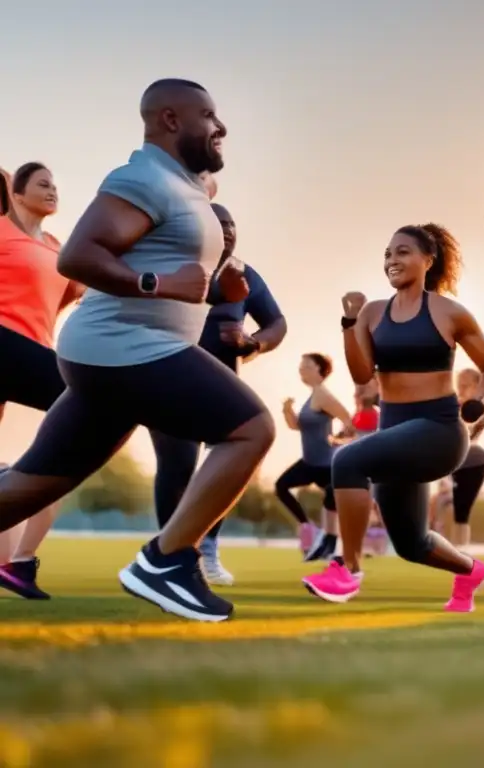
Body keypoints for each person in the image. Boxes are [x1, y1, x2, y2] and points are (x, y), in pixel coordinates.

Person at [0, 79, 275, 623]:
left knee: (31, 487)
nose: (220, 128)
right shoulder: (143, 177)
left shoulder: (184, 186)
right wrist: (158, 284)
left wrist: (223, 292)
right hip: (124, 347)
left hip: (116, 354)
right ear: (170, 120)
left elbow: (179, 270)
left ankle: (167, 559)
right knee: (251, 428)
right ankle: (167, 561)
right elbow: (78, 256)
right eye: (209, 116)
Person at [302, 223, 484, 612]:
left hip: (440, 431)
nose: (393, 260)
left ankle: (349, 570)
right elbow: (362, 375)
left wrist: (476, 398)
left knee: (347, 460)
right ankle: (472, 571)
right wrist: (349, 322)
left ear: (428, 260)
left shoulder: (450, 312)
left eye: (403, 252)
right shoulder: (373, 313)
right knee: (412, 544)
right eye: (388, 254)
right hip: (395, 428)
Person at [148, 201, 287, 586]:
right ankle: (170, 552)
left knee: (228, 467)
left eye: (231, 224)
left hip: (222, 387)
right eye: (217, 223)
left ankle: (206, 549)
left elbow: (277, 322)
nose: (226, 230)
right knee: (176, 467)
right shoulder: (176, 265)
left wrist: (252, 343)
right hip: (169, 381)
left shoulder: (244, 275)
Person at [0, 162, 84, 600]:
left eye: (56, 184)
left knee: (69, 446)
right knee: (91, 401)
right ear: (16, 193)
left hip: (28, 353)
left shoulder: (57, 248)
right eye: (42, 184)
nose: (53, 190)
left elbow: (84, 289)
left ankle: (15, 562)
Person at [280, 352, 354, 561]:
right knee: (282, 486)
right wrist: (287, 410)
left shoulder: (323, 395)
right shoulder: (312, 397)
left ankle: (331, 544)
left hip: (325, 463)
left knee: (333, 500)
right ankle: (308, 528)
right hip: (309, 462)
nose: (301, 370)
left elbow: (348, 419)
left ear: (320, 371)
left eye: (306, 367)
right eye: (300, 367)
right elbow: (296, 426)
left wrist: (339, 440)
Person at [449, 368, 484, 547]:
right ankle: (457, 548)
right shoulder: (453, 406)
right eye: (459, 385)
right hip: (456, 462)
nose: (461, 389)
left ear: (476, 387)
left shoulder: (479, 409)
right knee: (458, 507)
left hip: (473, 462)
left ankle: (461, 548)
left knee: (463, 508)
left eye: (465, 386)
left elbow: (471, 433)